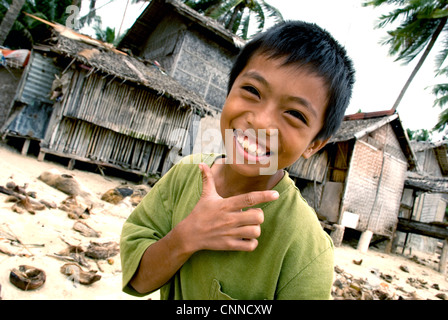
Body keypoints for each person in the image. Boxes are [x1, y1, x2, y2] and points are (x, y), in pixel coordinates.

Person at [120, 20, 355, 300]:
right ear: (229, 90)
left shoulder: (307, 248)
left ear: (314, 144)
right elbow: (138, 282)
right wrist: (187, 237)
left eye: (295, 114)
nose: (261, 121)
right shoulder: (186, 174)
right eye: (253, 91)